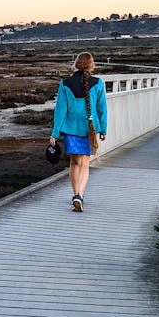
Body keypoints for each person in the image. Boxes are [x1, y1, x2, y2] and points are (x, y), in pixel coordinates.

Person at [50, 52, 108, 212]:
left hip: (70, 129)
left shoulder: (65, 83)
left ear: (76, 64)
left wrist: (55, 133)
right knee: (84, 164)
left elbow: (60, 110)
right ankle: (80, 195)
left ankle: (75, 193)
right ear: (91, 65)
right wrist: (103, 129)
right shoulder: (98, 83)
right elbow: (102, 109)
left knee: (74, 163)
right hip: (89, 129)